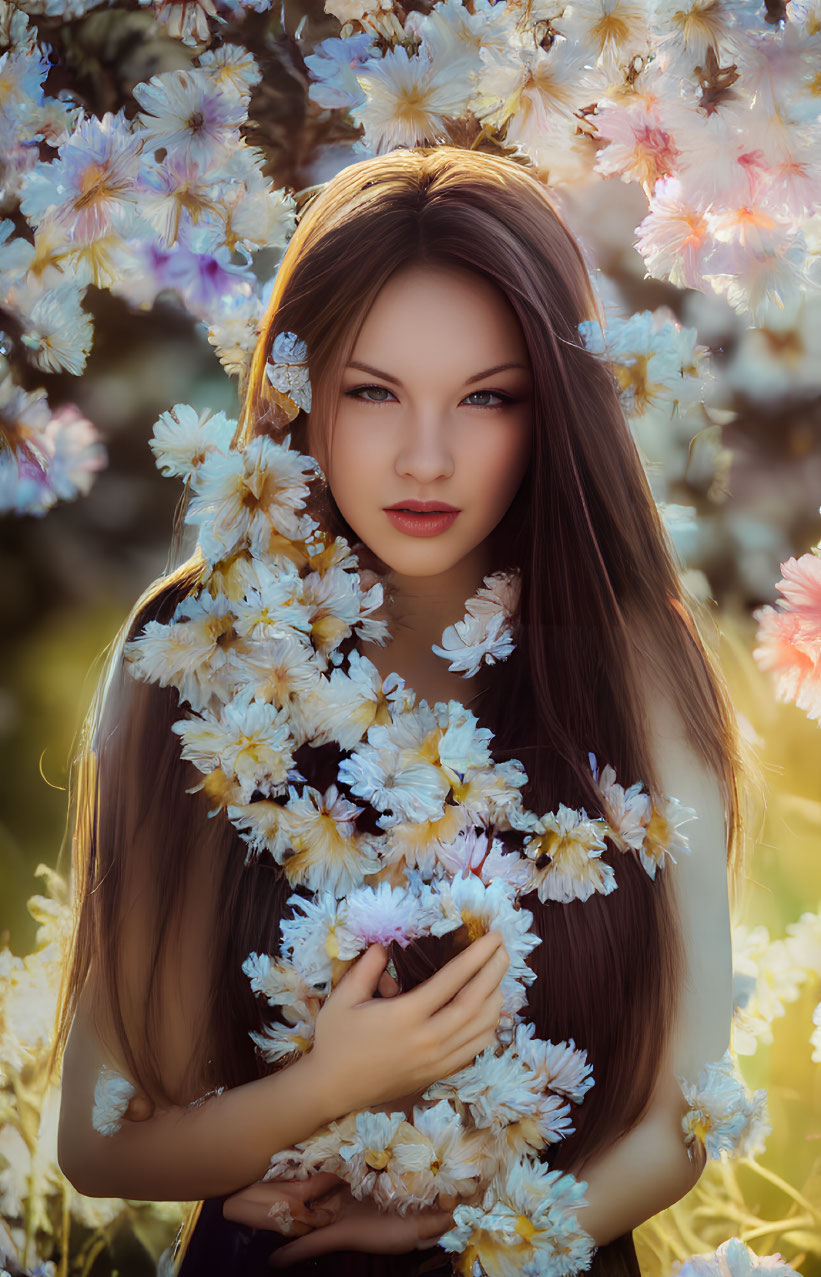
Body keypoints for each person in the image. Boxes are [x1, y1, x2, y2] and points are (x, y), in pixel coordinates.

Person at [51, 145, 748, 1276]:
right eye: (371, 391)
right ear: (297, 388)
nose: (424, 456)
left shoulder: (631, 654)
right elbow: (99, 1142)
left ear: (551, 408)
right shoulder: (203, 648)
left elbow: (683, 1111)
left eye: (486, 397)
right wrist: (333, 1082)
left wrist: (470, 1247)